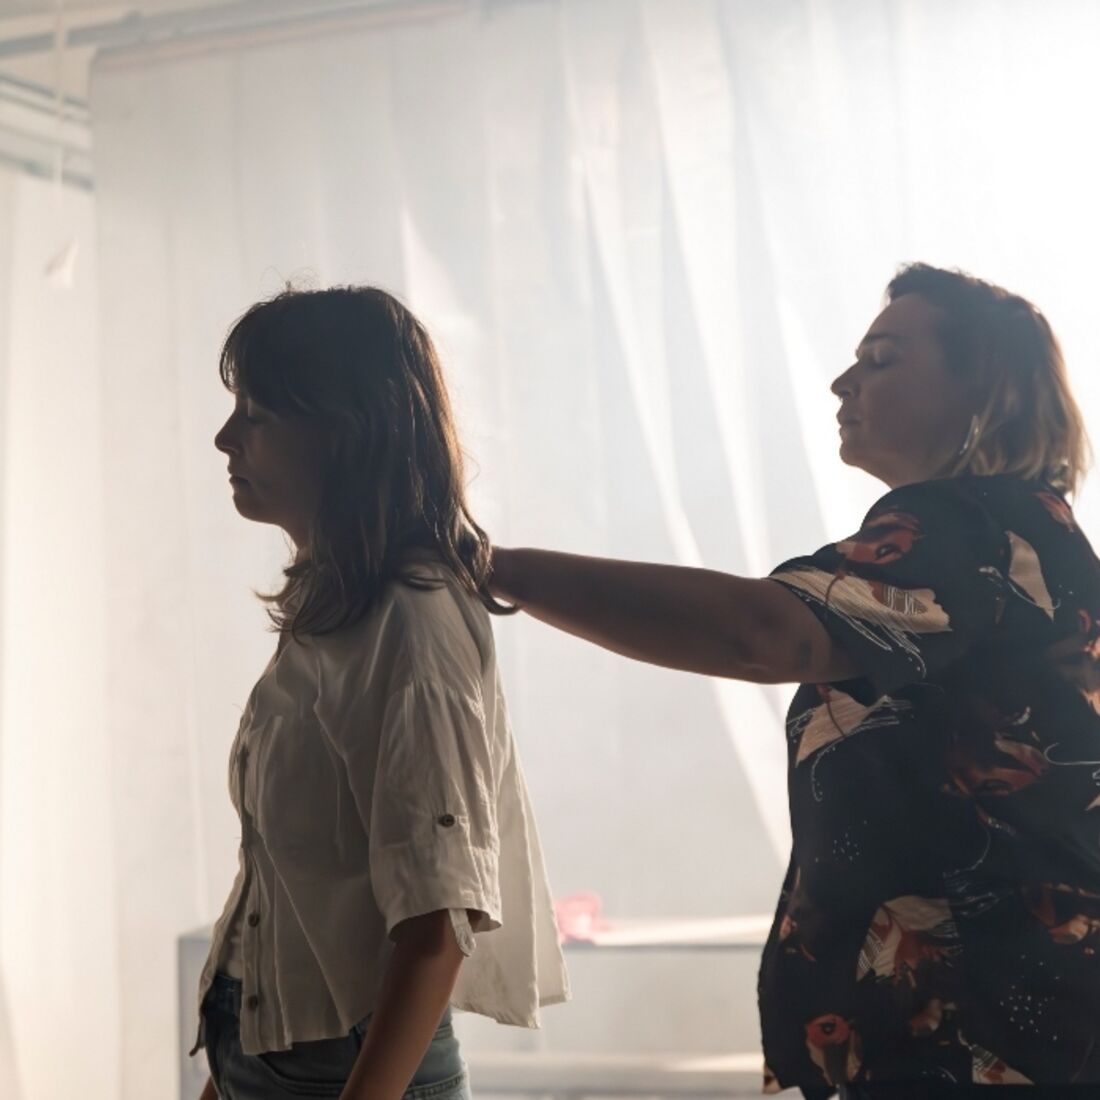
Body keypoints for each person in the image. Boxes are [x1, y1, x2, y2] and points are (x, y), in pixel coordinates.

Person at [489, 264, 1100, 1098]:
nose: (843, 382)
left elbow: (763, 633)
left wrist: (500, 568)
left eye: (882, 360)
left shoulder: (976, 528)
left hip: (985, 1044)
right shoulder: (1014, 532)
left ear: (984, 390)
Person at [192, 286, 568, 1100]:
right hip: (268, 1058)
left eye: (256, 414)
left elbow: (437, 922)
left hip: (348, 1073)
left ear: (343, 431)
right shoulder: (338, 605)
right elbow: (282, 889)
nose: (225, 439)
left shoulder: (412, 618)